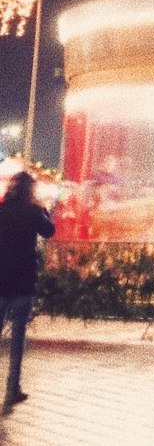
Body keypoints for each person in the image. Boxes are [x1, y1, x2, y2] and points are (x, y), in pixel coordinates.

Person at [0, 171, 55, 413]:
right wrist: (44, 208)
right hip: (23, 280)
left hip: (1, 278)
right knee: (18, 337)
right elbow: (49, 231)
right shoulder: (33, 210)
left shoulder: (2, 210)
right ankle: (12, 388)